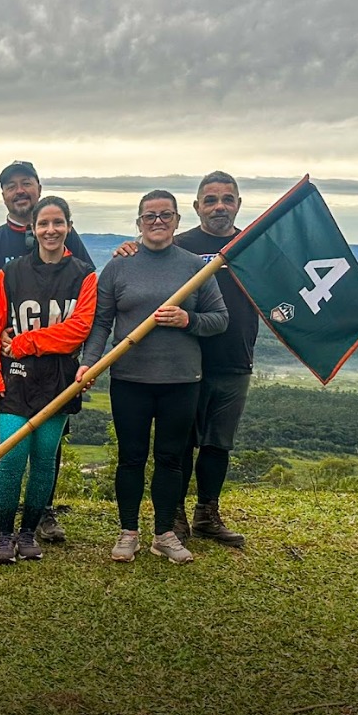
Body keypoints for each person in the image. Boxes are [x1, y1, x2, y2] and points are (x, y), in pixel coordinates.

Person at [77, 191, 228, 565]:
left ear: (177, 220)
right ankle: (128, 532)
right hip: (130, 379)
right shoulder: (118, 267)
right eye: (149, 216)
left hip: (181, 380)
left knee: (171, 458)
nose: (157, 222)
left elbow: (220, 318)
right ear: (139, 222)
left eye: (165, 216)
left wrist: (188, 320)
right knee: (131, 458)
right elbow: (101, 324)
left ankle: (165, 534)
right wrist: (89, 363)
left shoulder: (195, 267)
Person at [113, 172, 253, 547]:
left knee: (217, 443)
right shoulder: (183, 246)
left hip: (235, 357)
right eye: (210, 200)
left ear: (238, 203)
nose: (219, 206)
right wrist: (128, 249)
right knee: (178, 447)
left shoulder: (254, 246)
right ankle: (171, 516)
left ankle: (207, 512)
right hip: (185, 367)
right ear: (195, 208)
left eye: (227, 199)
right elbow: (145, 259)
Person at [0, 161, 95, 543]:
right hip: (8, 366)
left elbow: (86, 304)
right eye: (11, 186)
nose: (19, 190)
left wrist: (22, 340)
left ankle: (42, 512)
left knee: (46, 448)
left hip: (54, 370)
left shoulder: (75, 252)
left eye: (26, 184)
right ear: (3, 194)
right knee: (3, 442)